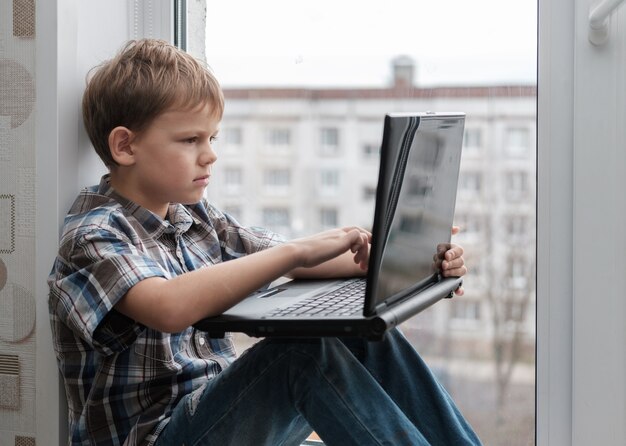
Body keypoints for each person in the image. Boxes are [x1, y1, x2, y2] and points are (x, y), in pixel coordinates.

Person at [48, 38, 481, 446]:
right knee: (301, 357)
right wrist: (294, 252)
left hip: (213, 414)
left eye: (211, 138)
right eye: (190, 140)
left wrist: (391, 260)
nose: (210, 154)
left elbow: (287, 262)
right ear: (125, 146)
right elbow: (169, 307)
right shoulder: (93, 234)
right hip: (158, 437)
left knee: (362, 334)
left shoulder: (196, 218)